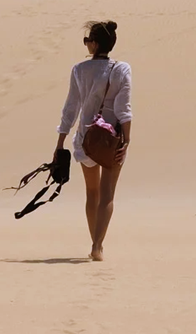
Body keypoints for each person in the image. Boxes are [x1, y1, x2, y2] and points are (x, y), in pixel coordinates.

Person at [55, 20, 132, 262]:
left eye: (87, 40)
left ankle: (95, 244)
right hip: (112, 139)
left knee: (92, 193)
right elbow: (124, 109)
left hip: (86, 140)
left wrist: (60, 141)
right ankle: (97, 245)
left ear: (95, 44)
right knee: (107, 194)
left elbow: (71, 108)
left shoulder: (79, 70)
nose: (86, 44)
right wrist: (127, 140)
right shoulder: (122, 69)